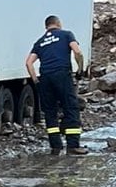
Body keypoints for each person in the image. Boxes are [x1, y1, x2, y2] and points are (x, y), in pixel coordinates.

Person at [26, 15, 86, 155]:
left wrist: (36, 81)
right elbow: (77, 52)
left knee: (50, 112)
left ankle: (55, 146)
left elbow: (28, 63)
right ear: (58, 24)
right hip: (62, 75)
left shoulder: (40, 42)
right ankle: (73, 145)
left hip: (45, 78)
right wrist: (80, 69)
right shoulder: (66, 34)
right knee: (70, 107)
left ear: (46, 26)